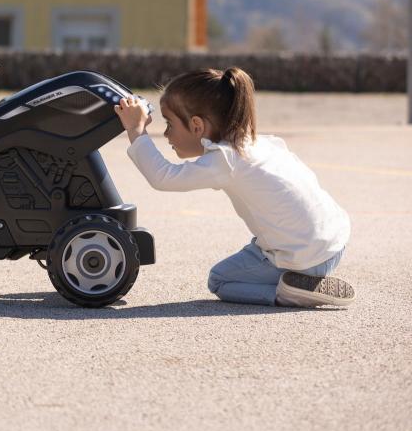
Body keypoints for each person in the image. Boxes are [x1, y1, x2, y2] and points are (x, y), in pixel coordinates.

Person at [113, 67, 354, 308]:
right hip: (334, 244)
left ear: (197, 126)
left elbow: (163, 177)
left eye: (169, 124)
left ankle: (289, 292)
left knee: (220, 279)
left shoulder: (225, 159)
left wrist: (136, 130)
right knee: (257, 245)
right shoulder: (258, 142)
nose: (166, 134)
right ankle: (297, 279)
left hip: (304, 259)